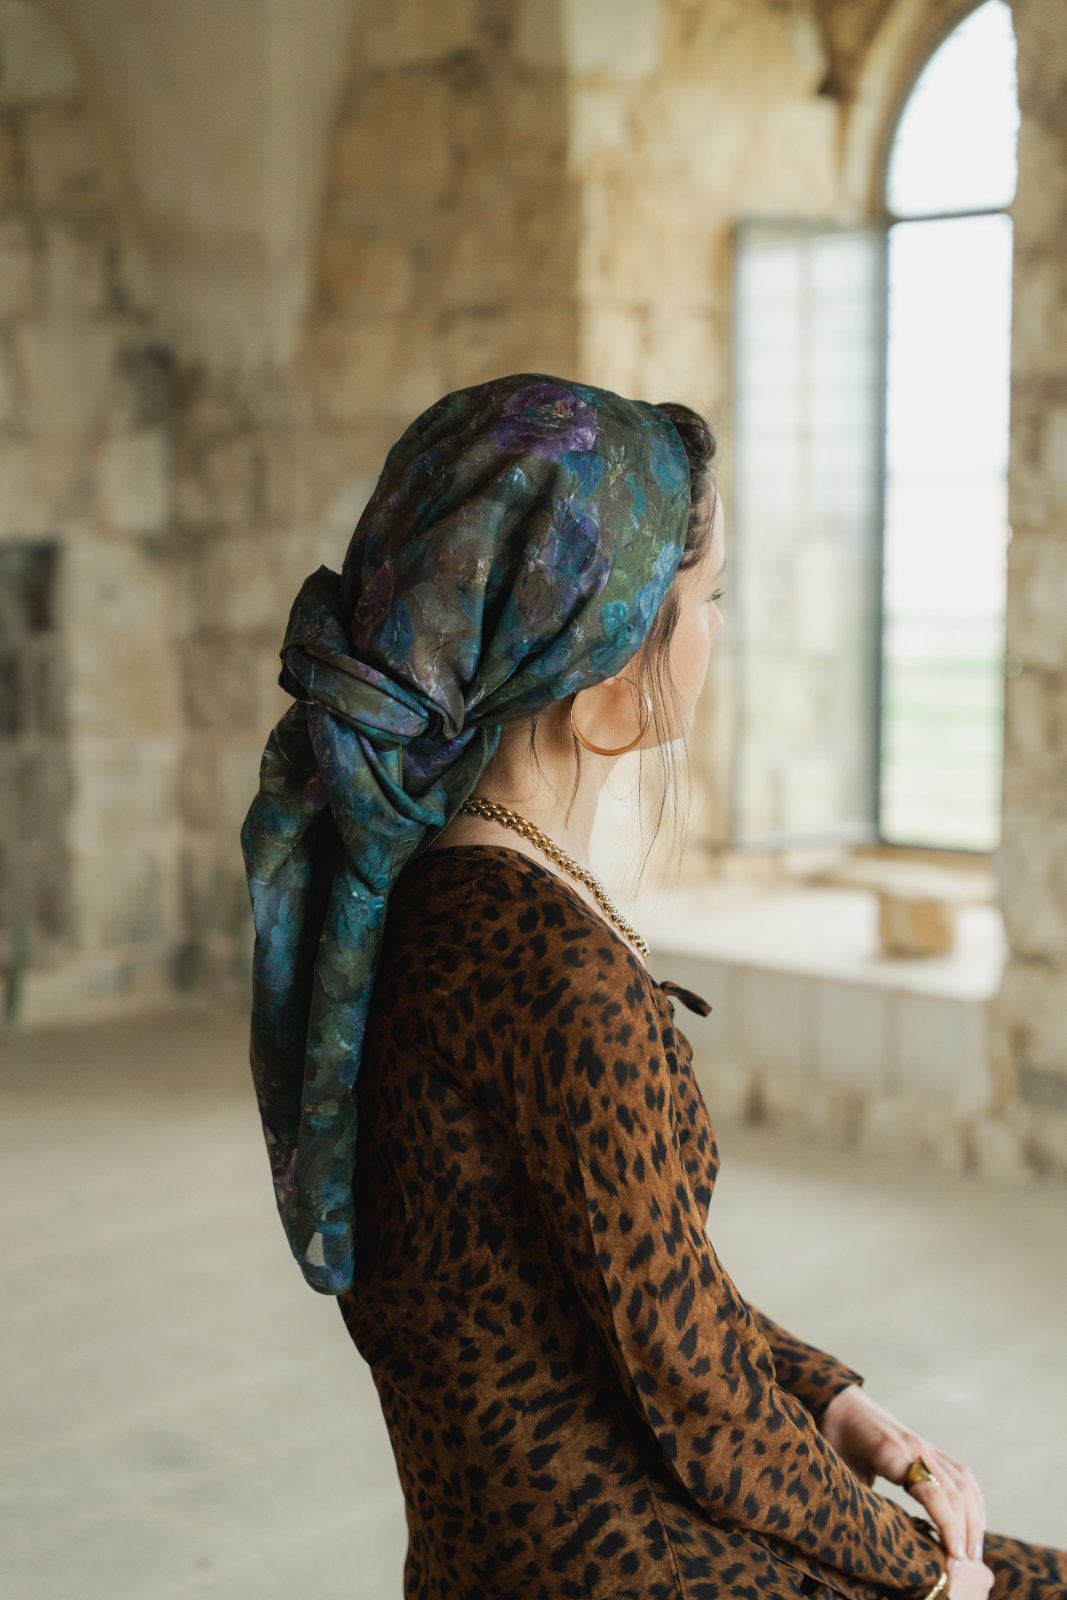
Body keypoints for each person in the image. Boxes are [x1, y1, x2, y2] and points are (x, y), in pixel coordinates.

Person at [241, 373, 1066, 1599]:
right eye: (709, 600)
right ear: (609, 673)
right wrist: (923, 1572)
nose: (720, 630)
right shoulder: (560, 978)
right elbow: (694, 1399)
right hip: (633, 1562)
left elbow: (644, 1289)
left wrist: (839, 1405)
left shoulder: (419, 901)